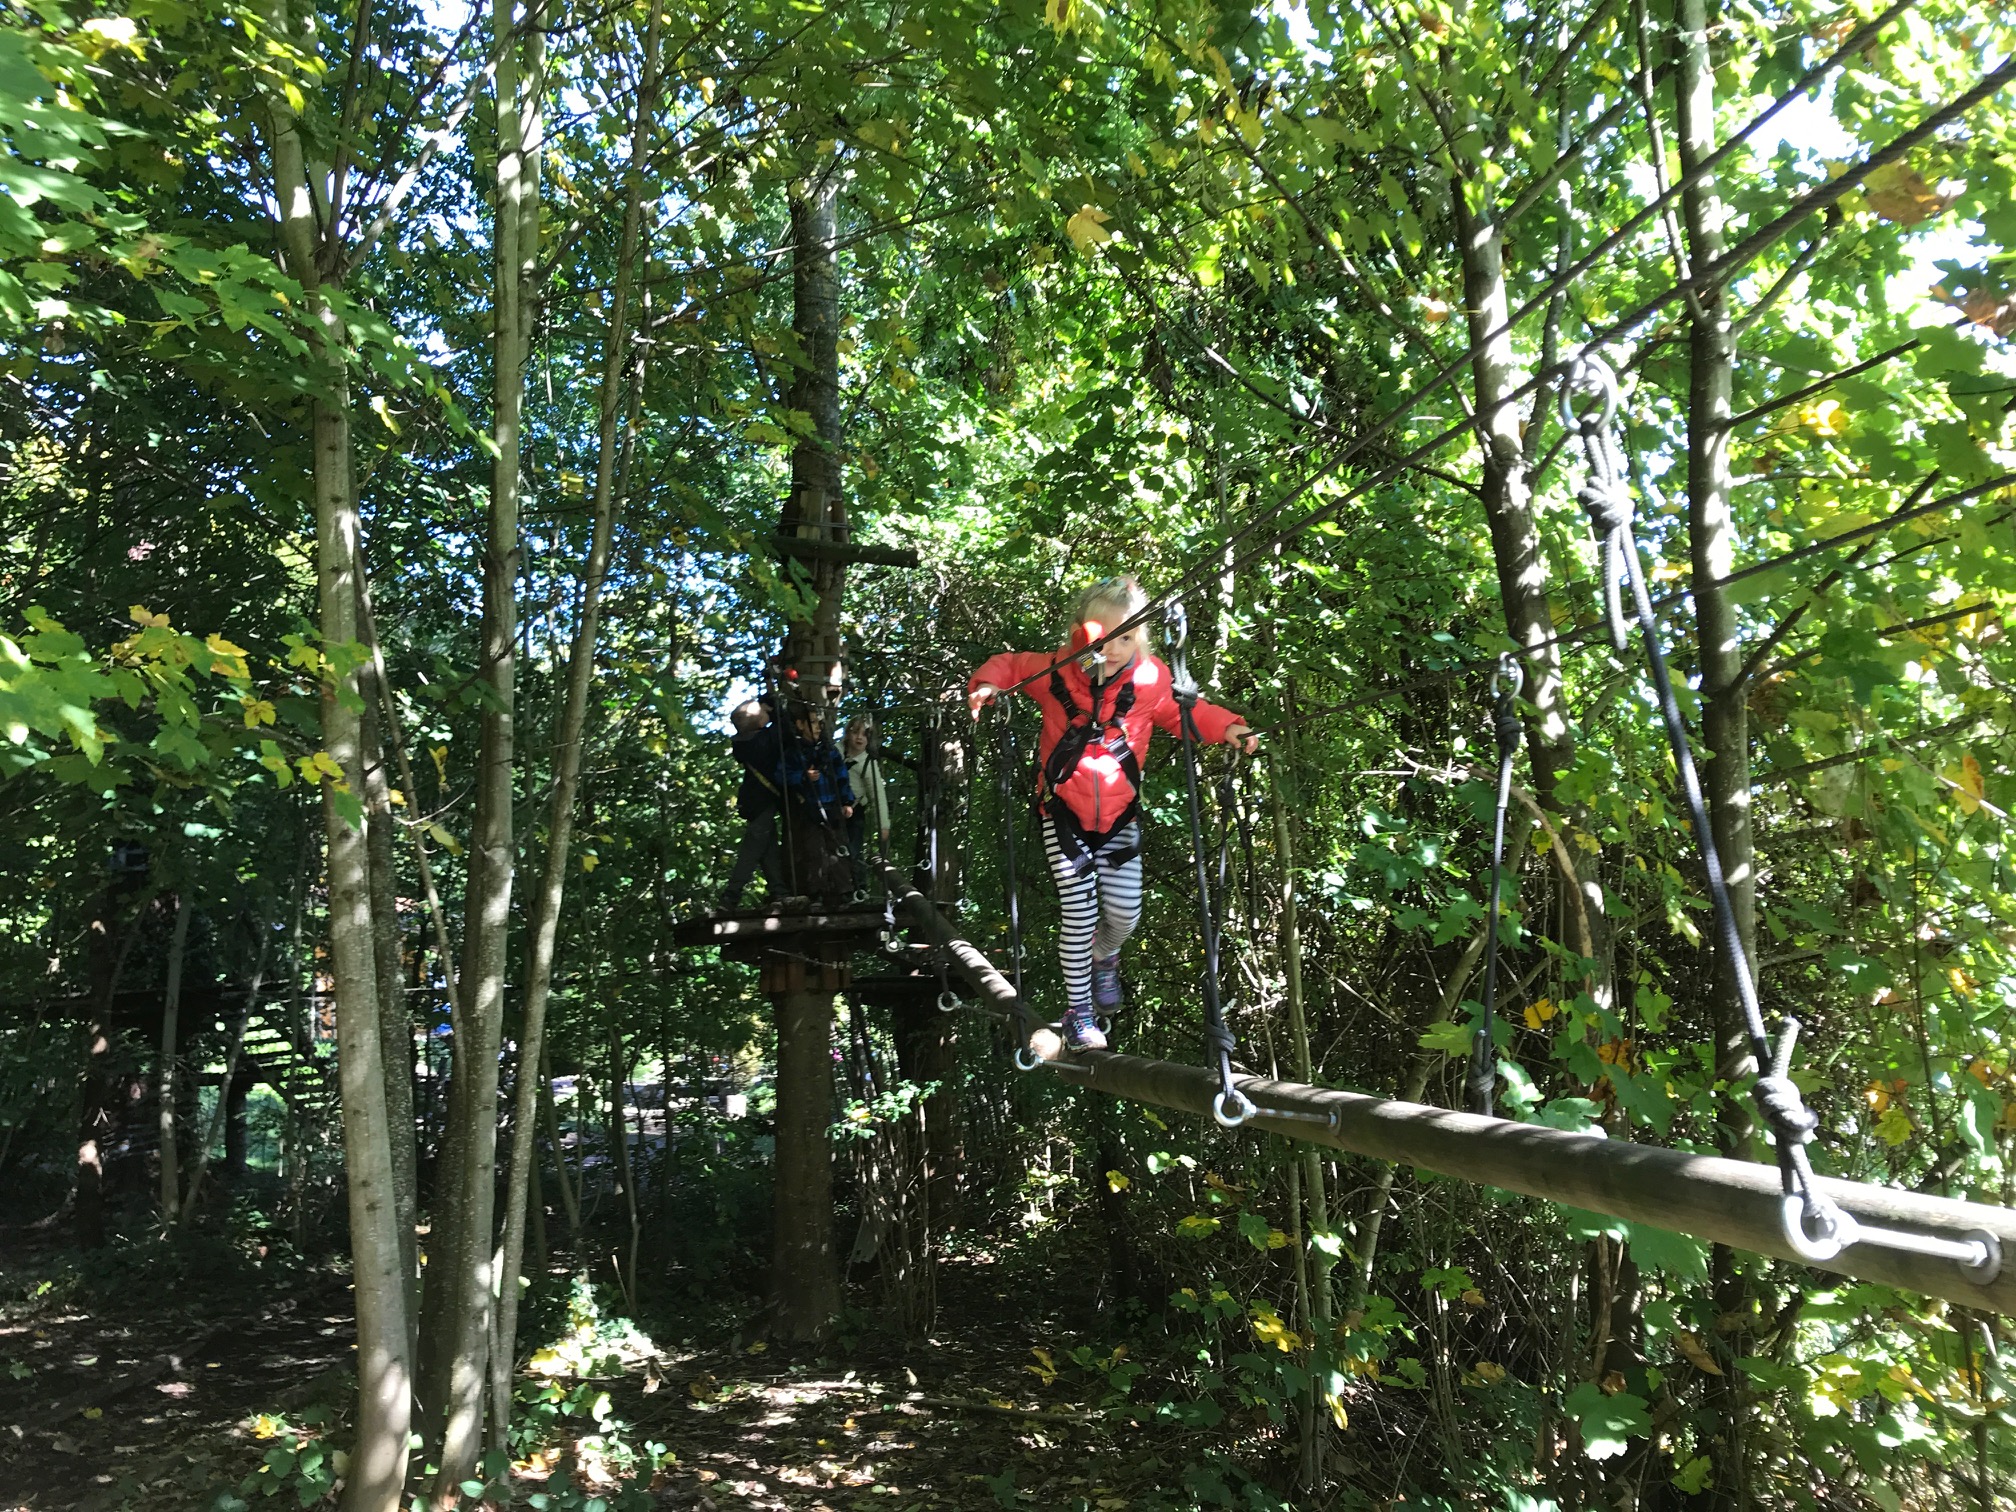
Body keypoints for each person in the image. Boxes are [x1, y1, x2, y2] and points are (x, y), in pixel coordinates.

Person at [968, 575, 1257, 1051]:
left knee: (1124, 914)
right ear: (1080, 633)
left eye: (1126, 636)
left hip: (1120, 818)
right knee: (1079, 915)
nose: (1115, 647)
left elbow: (1186, 713)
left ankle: (1106, 957)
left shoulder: (1150, 681)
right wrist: (986, 685)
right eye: (1103, 635)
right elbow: (1011, 664)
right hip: (1062, 814)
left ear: (1139, 638)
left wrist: (1228, 727)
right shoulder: (1055, 672)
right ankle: (1079, 1012)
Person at [722, 698, 785, 911]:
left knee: (767, 847)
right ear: (759, 723)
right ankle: (731, 896)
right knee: (753, 847)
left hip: (756, 800)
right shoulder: (762, 741)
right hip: (761, 800)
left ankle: (780, 891)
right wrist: (775, 707)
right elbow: (782, 726)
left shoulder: (747, 742)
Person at [842, 715, 891, 893]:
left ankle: (858, 888)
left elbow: (878, 795)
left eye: (865, 734)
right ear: (847, 734)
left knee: (853, 851)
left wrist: (883, 825)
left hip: (854, 813)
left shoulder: (868, 764)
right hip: (832, 810)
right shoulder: (834, 753)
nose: (859, 737)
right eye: (855, 732)